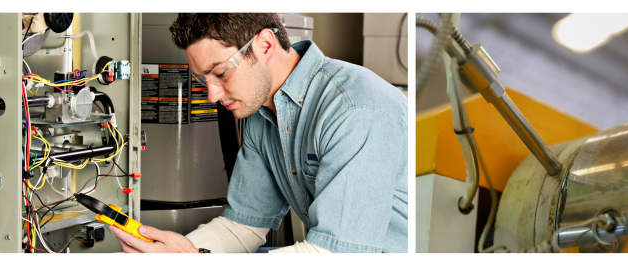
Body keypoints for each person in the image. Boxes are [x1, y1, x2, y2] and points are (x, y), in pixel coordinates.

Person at [110, 13, 407, 253]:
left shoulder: (353, 109)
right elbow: (243, 227)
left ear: (265, 45)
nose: (211, 95)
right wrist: (178, 252)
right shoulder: (263, 113)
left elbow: (335, 255)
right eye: (203, 80)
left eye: (221, 73)